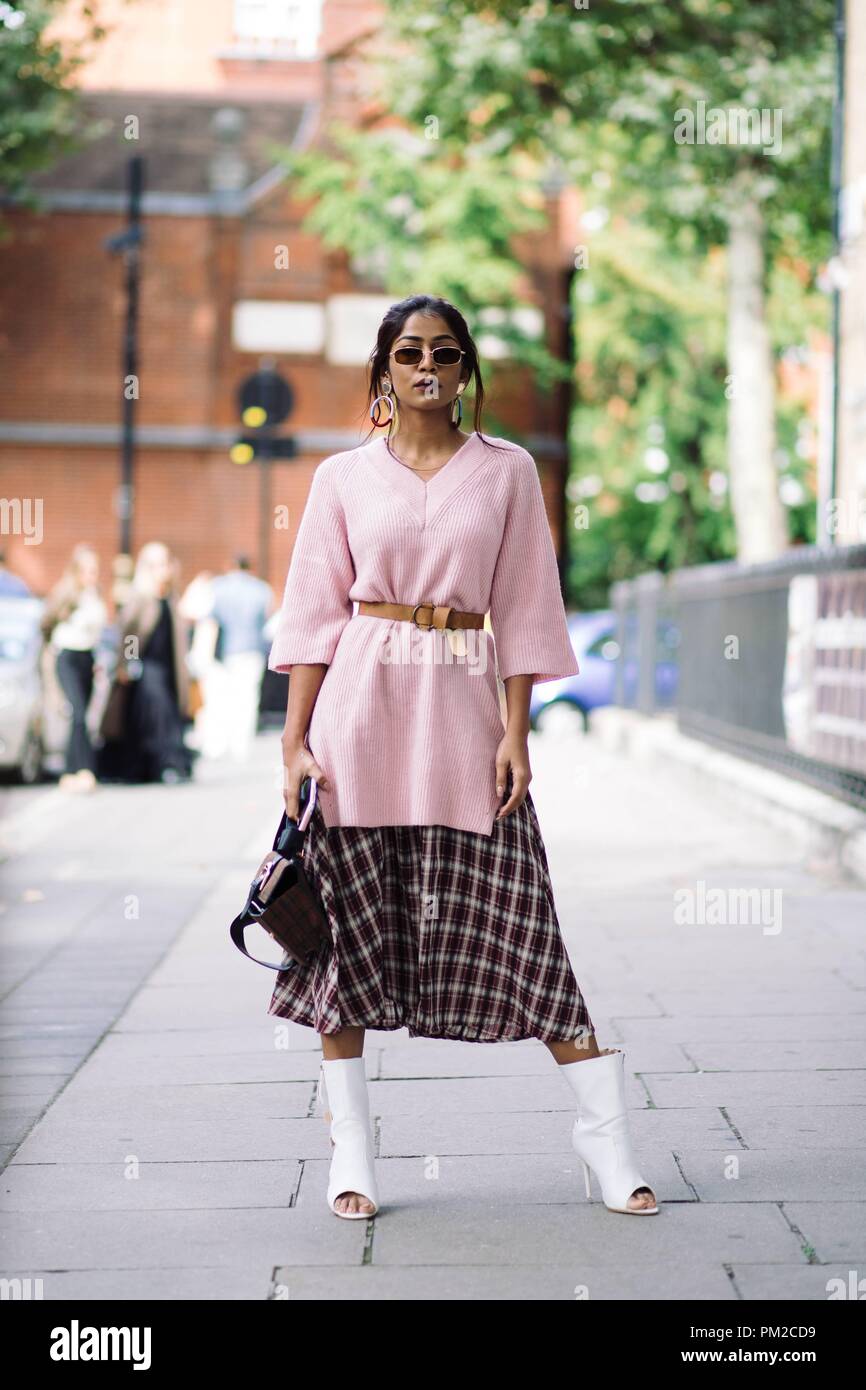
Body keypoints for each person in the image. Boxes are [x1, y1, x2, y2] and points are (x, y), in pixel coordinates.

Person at [266, 295, 658, 1221]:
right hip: (359, 724)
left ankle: (605, 1141)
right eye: (408, 352)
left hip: (466, 725)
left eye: (444, 351)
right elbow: (315, 616)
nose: (426, 365)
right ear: (385, 371)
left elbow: (525, 606)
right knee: (346, 948)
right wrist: (294, 740)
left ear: (466, 368)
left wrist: (516, 731)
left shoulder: (508, 473)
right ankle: (351, 1155)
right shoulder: (342, 480)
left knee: (531, 935)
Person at [97, 541, 193, 784]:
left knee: (166, 714)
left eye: (166, 563)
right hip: (148, 670)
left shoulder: (169, 597)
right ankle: (166, 764)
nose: (165, 569)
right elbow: (128, 633)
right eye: (158, 564)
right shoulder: (140, 597)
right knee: (156, 718)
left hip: (168, 667)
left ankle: (165, 764)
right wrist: (126, 664)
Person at [39, 543, 108, 791]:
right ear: (76, 571)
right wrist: (52, 647)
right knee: (77, 712)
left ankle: (69, 771)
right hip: (67, 655)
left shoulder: (96, 596)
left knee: (82, 718)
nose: (92, 575)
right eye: (87, 570)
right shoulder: (66, 595)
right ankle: (85, 769)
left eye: (95, 570)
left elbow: (108, 633)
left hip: (87, 658)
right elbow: (45, 623)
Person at [201, 556, 274, 762]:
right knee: (247, 698)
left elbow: (209, 617)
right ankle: (240, 744)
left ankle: (218, 743)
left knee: (221, 698)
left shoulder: (218, 587)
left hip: (224, 650)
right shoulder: (261, 590)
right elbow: (266, 621)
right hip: (251, 649)